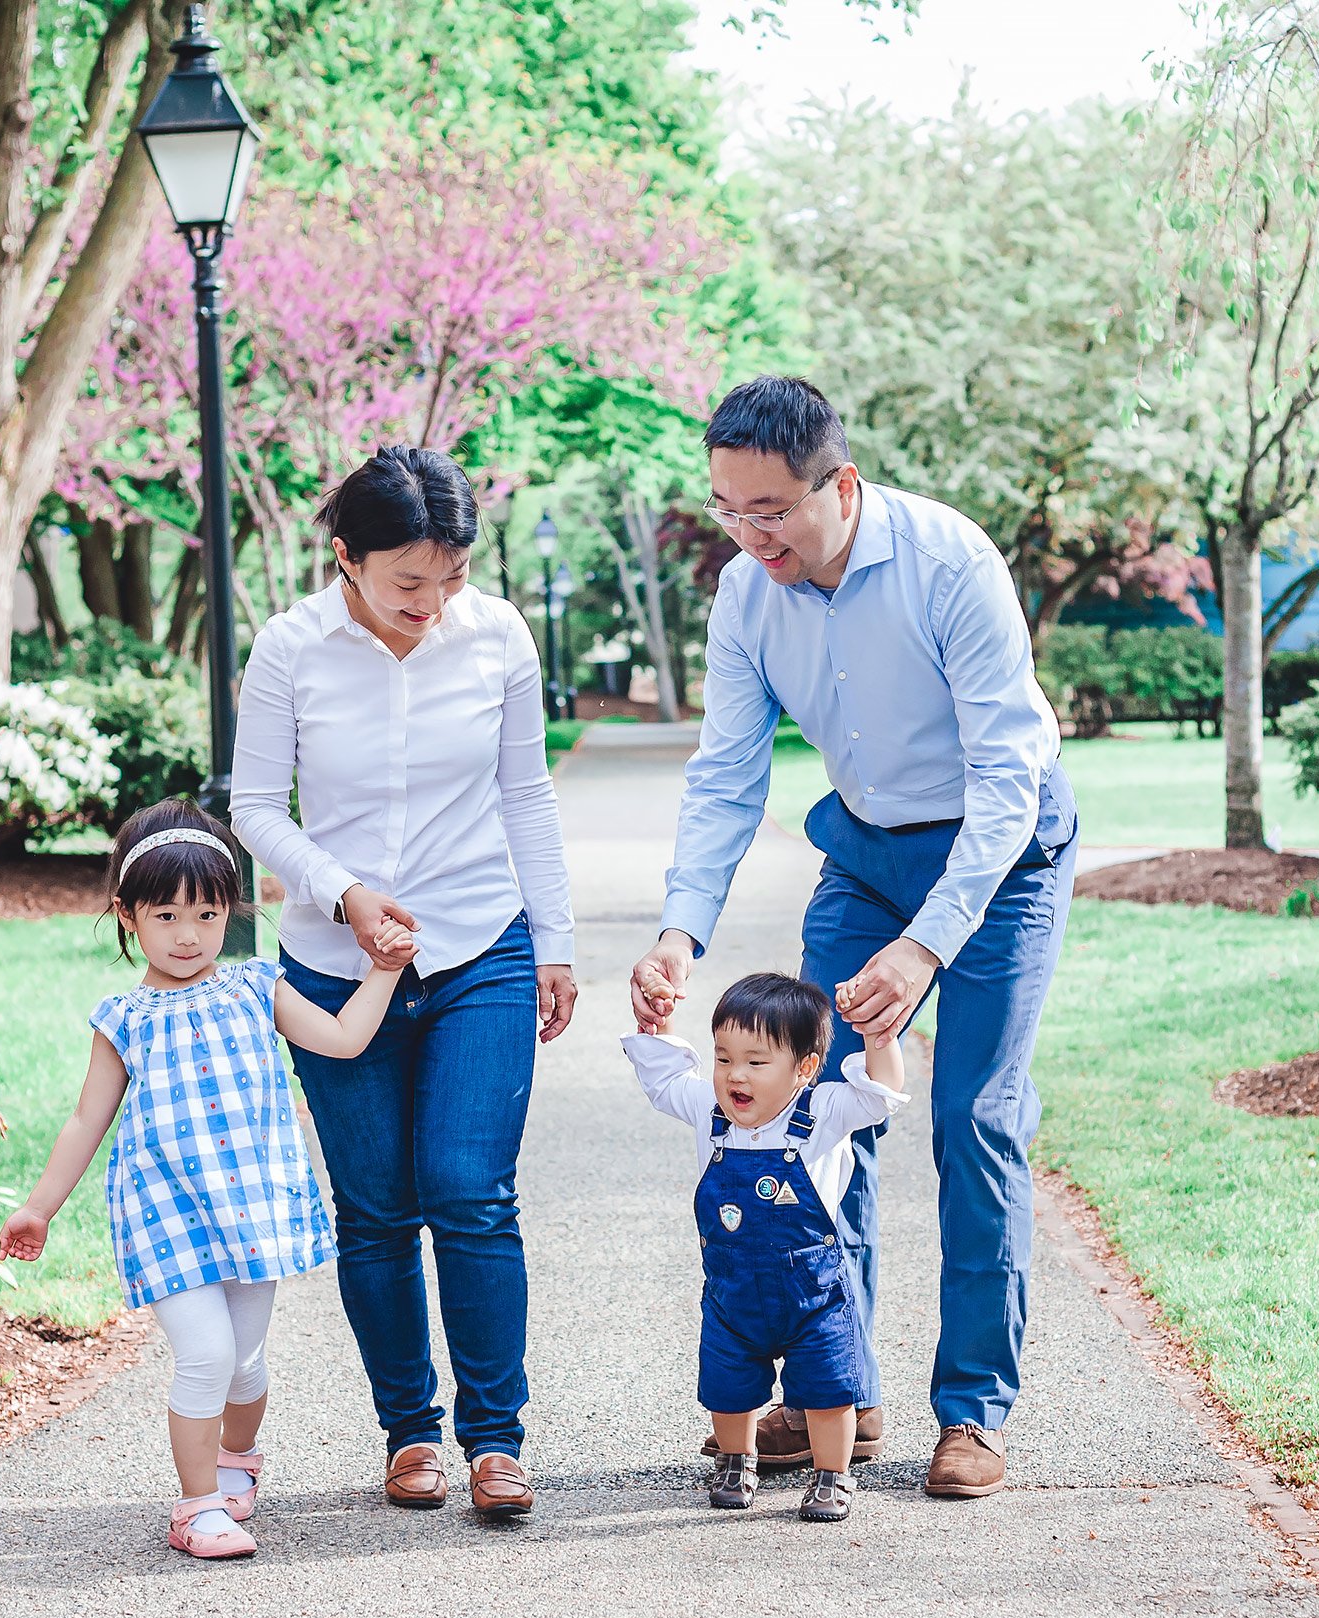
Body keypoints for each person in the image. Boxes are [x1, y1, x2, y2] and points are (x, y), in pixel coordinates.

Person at [628, 376, 1075, 1499]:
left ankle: (971, 1410)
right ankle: (842, 1391)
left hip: (999, 857)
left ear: (844, 484)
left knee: (972, 1113)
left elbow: (1009, 777)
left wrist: (928, 945)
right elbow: (727, 774)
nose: (750, 534)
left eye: (771, 509)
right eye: (730, 508)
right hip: (868, 858)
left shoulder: (948, 562)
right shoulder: (745, 593)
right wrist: (682, 929)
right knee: (811, 1112)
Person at [230, 446, 577, 1520]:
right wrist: (341, 894)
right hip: (338, 965)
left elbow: (526, 792)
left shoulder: (498, 636)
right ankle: (409, 1432)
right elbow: (253, 807)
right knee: (375, 1210)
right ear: (346, 557)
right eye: (407, 583)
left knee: (471, 1192)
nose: (433, 603)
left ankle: (495, 1440)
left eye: (451, 578)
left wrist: (554, 940)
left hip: (479, 944)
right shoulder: (291, 648)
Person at [0, 799, 413, 1561]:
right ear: (126, 916)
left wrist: (385, 970)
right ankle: (197, 1509)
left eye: (207, 914)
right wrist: (39, 1207)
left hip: (251, 1209)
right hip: (166, 1212)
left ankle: (235, 1461)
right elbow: (86, 1121)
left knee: (246, 1361)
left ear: (232, 912)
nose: (187, 936)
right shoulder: (122, 1018)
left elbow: (346, 1039)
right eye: (165, 915)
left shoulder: (258, 987)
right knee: (207, 1356)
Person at [623, 972, 906, 1523]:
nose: (735, 1076)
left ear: (803, 1068)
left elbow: (879, 1097)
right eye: (724, 1058)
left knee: (828, 1391)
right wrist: (659, 1026)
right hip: (734, 1293)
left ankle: (831, 1474)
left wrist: (879, 1039)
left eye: (756, 1061)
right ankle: (736, 1458)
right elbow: (663, 1082)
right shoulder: (710, 1112)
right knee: (728, 1386)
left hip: (813, 1293)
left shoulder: (822, 1112)